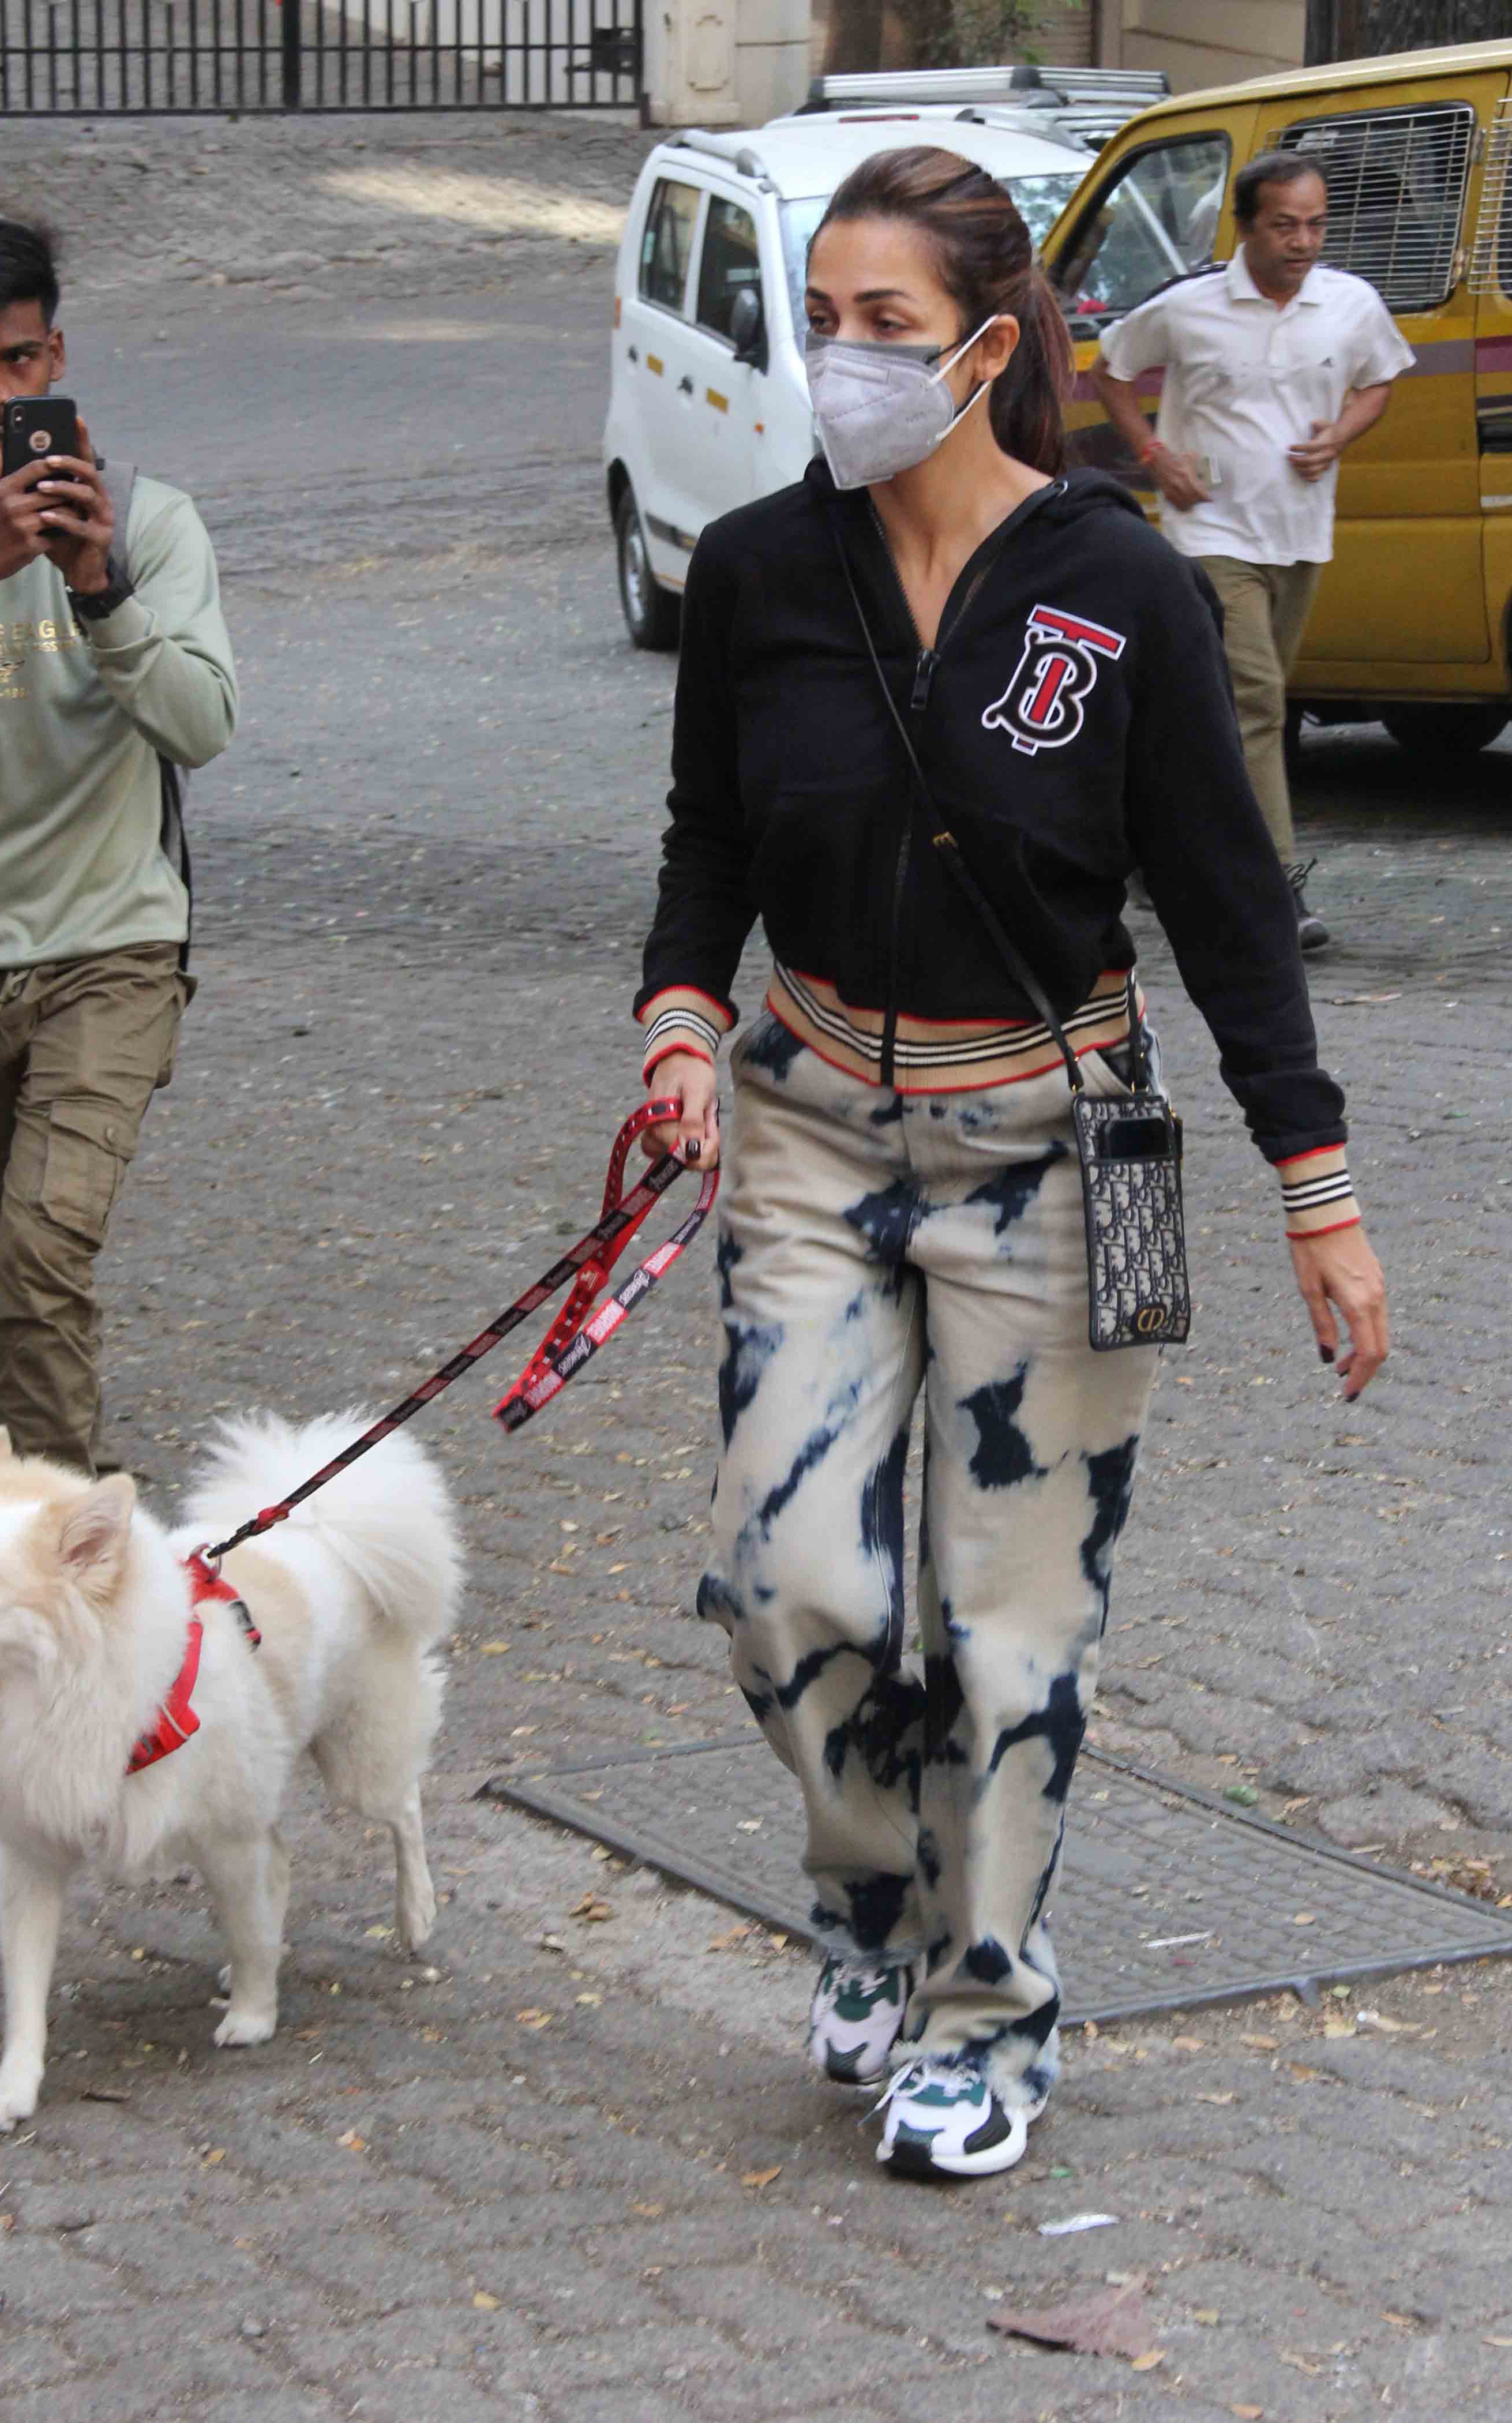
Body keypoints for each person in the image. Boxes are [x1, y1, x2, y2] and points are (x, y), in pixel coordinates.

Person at [635, 147, 1387, 2184]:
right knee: (786, 1587)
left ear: (985, 348)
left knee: (1011, 1621)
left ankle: (985, 2008)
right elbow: (706, 834)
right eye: (820, 317)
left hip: (1077, 1141)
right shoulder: (757, 574)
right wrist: (679, 1020)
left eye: (883, 326)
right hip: (803, 1124)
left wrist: (1312, 1189)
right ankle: (868, 1892)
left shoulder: (1117, 582)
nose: (836, 361)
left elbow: (1224, 902)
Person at [0, 217, 237, 1475]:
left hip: (110, 951)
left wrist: (97, 590)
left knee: (40, 1250)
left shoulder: (148, 522)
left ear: (58, 354)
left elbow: (201, 724)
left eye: (20, 363)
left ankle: (68, 1544)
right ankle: (50, 1515)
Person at [1090, 151, 1413, 952]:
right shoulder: (1190, 308)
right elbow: (1112, 371)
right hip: (1211, 534)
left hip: (1301, 532)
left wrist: (1339, 434)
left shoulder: (1350, 304)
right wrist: (1155, 456)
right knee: (1261, 702)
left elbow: (1380, 382)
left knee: (1223, 716)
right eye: (1284, 226)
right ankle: (1274, 890)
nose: (1303, 242)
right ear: (1245, 227)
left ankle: (1140, 847)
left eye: (1316, 225)